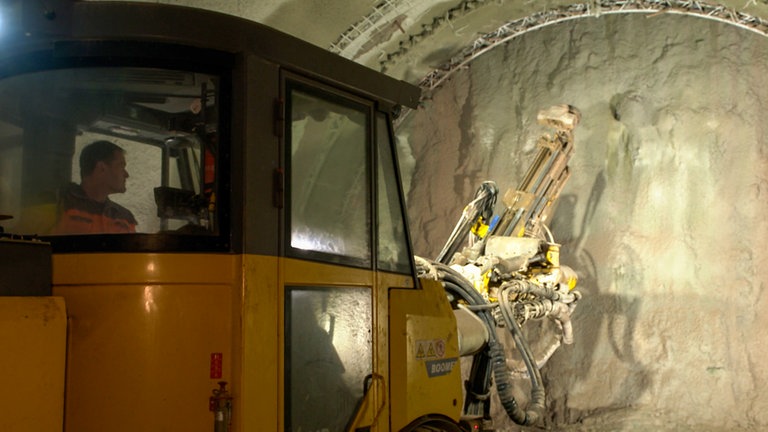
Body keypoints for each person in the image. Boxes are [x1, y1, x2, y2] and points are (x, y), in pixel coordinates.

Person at [53, 140, 137, 234]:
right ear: (101, 168)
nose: (126, 174)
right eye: (121, 166)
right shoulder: (60, 204)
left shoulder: (125, 217)